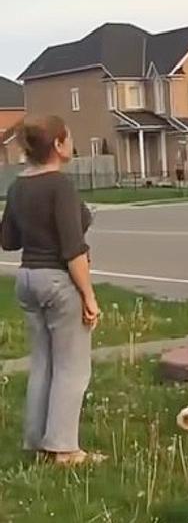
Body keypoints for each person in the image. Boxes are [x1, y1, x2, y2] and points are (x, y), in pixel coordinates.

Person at [0, 115, 104, 466]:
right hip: (58, 281)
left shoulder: (16, 187)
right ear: (58, 145)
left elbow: (8, 240)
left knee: (43, 363)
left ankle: (37, 441)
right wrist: (89, 296)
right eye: (69, 138)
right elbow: (73, 249)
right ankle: (63, 448)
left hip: (27, 279)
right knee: (72, 368)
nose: (72, 144)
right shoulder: (60, 185)